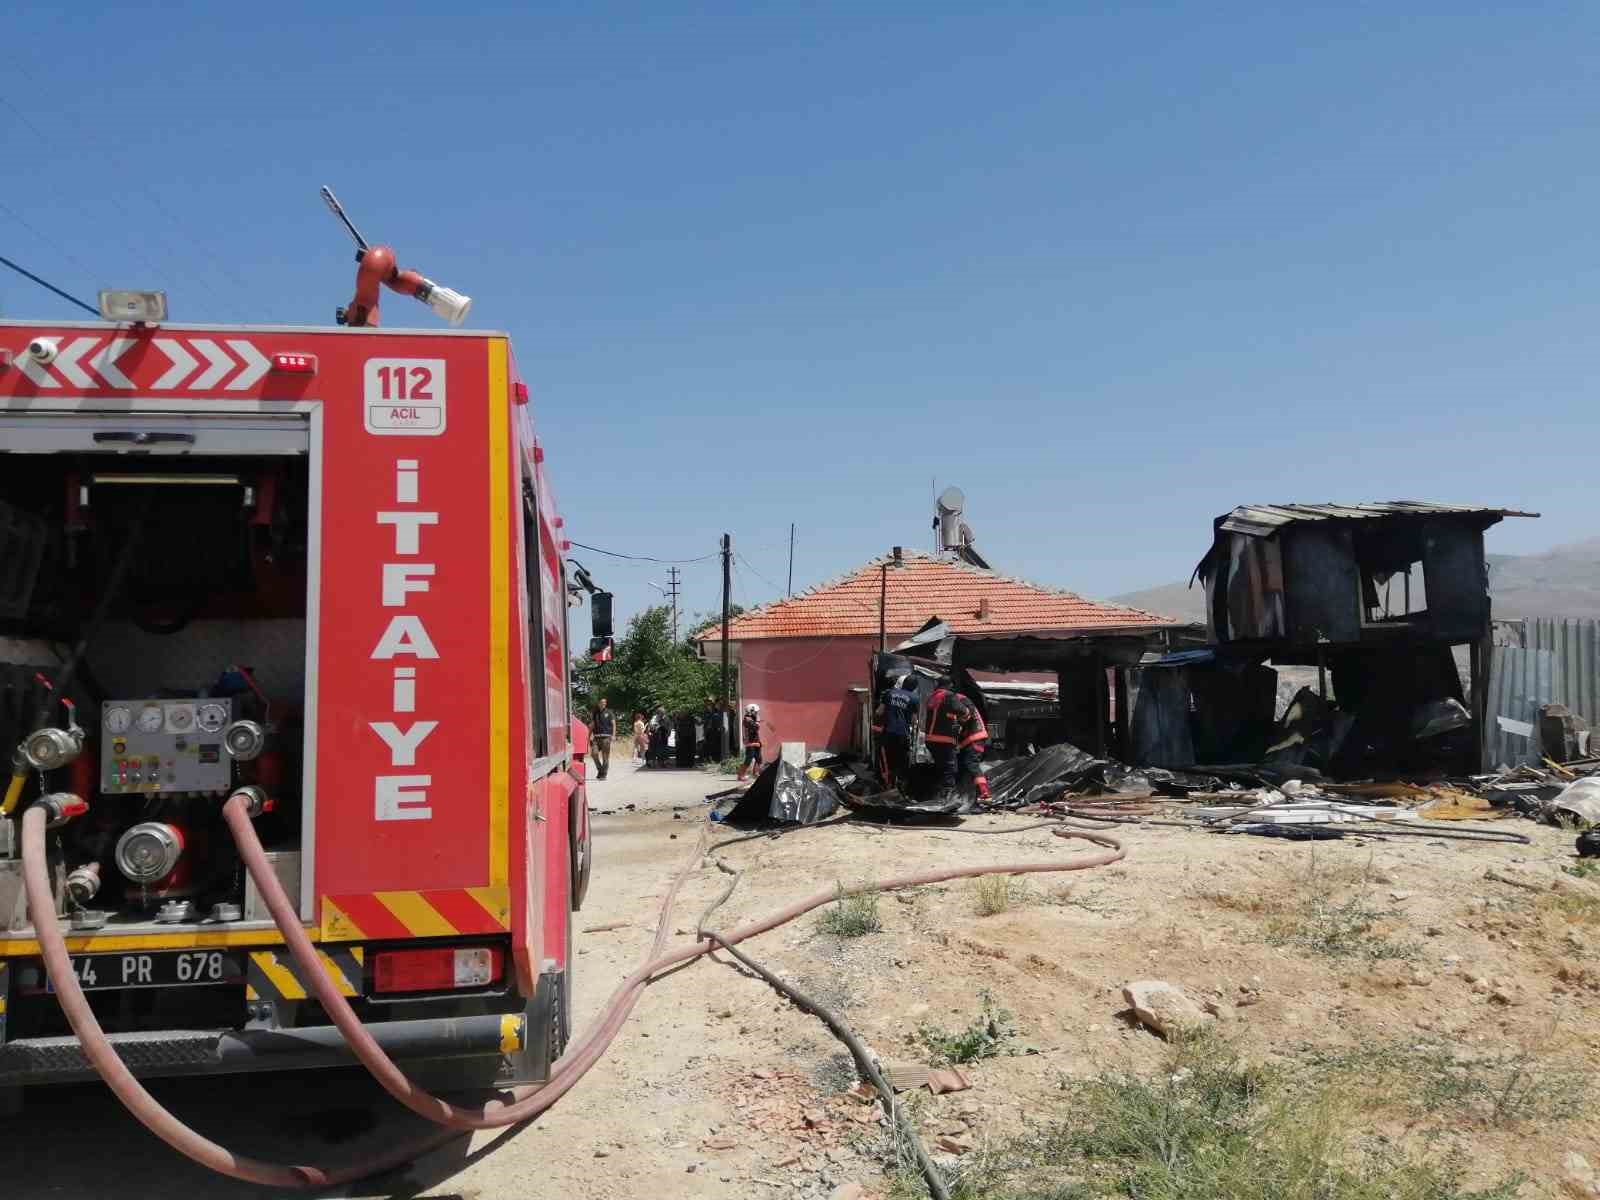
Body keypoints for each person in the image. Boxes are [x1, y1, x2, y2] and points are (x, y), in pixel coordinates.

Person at [924, 676, 991, 803]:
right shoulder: (949, 698)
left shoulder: (958, 699)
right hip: (965, 740)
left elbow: (966, 714)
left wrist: (957, 722)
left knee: (971, 764)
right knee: (955, 766)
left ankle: (984, 793)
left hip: (975, 737)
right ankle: (960, 792)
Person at [872, 673, 918, 790]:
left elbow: (879, 712)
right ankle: (899, 787)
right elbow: (914, 721)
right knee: (901, 761)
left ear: (903, 683)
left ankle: (885, 785)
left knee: (886, 759)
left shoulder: (889, 693)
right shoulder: (914, 698)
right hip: (903, 735)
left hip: (888, 732)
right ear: (914, 687)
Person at [589, 697, 615, 780]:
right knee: (594, 754)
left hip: (606, 737)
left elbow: (614, 724)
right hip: (596, 738)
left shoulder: (609, 713)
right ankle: (600, 770)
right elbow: (592, 725)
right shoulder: (595, 713)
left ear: (606, 704)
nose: (603, 704)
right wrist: (588, 736)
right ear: (598, 703)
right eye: (601, 703)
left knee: (605, 757)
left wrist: (613, 735)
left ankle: (604, 774)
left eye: (604, 703)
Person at [737, 703, 764, 782]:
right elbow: (756, 728)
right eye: (755, 712)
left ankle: (755, 773)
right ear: (750, 711)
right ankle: (740, 775)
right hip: (750, 742)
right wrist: (758, 721)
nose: (757, 713)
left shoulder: (751, 718)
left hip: (755, 741)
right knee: (748, 759)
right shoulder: (747, 719)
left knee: (759, 758)